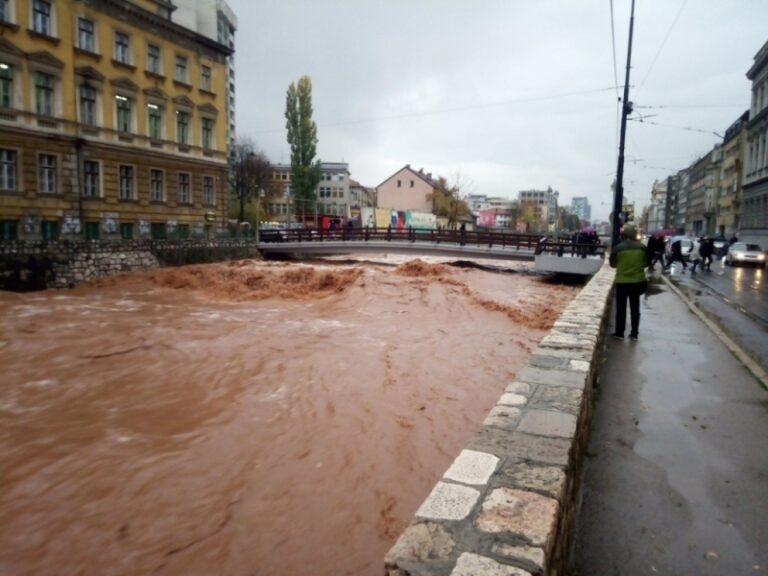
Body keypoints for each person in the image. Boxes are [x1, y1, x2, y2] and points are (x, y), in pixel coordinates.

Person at [609, 224, 648, 340]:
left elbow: (613, 264)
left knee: (621, 308)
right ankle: (634, 333)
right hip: (637, 281)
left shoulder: (618, 248)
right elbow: (646, 262)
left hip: (622, 282)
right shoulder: (642, 248)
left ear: (623, 236)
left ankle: (620, 332)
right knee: (635, 307)